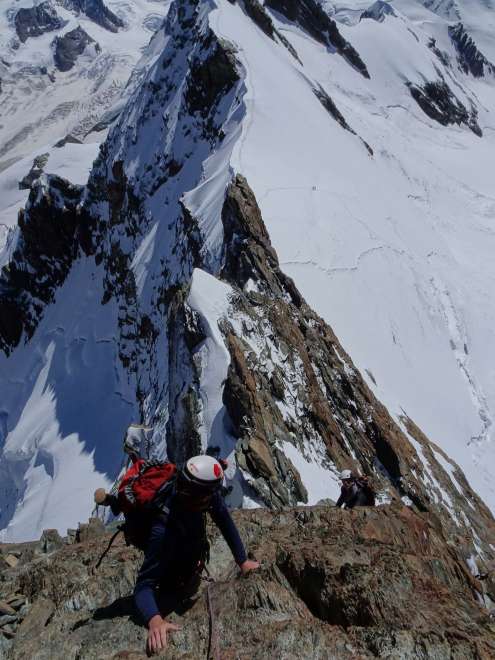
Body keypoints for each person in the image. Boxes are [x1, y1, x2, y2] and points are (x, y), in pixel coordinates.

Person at [133, 454, 259, 655]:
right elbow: (143, 586)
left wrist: (242, 561)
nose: (214, 498)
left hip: (190, 562)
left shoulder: (198, 492)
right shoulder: (163, 530)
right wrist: (155, 620)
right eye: (210, 495)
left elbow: (223, 519)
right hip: (172, 581)